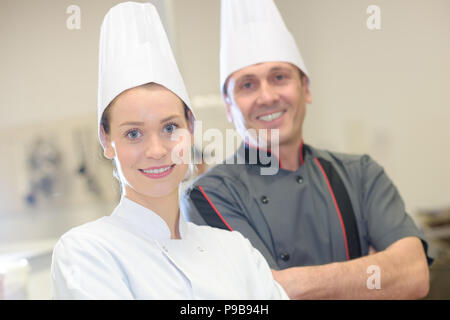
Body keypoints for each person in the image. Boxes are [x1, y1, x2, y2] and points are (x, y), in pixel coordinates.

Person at [181, 0, 432, 299]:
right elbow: (260, 297)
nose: (267, 96)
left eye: (279, 77)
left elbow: (414, 274)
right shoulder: (208, 195)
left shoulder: (361, 174)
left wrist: (289, 283)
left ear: (306, 88)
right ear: (229, 106)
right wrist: (372, 270)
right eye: (247, 85)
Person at [50, 2, 288, 300]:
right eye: (133, 133)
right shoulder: (86, 252)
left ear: (191, 128)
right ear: (106, 140)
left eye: (170, 127)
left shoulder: (236, 250)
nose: (157, 150)